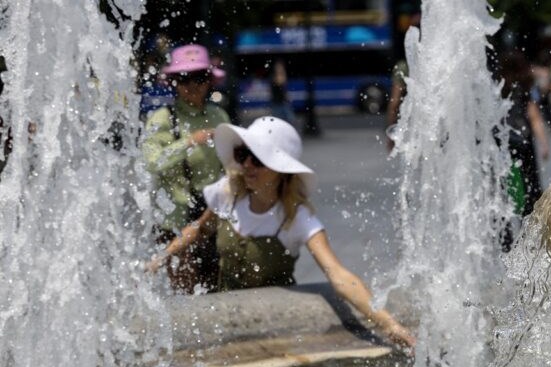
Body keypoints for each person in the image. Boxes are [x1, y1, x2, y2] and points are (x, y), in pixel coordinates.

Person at [147, 116, 416, 349]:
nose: (247, 166)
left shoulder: (297, 218)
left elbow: (338, 275)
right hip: (225, 321)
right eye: (242, 155)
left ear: (281, 170)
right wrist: (159, 260)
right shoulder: (227, 194)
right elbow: (199, 229)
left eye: (258, 159)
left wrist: (389, 325)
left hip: (276, 328)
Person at [142, 44, 231, 293]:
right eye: (184, 78)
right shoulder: (161, 118)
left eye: (199, 78)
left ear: (209, 81)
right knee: (185, 291)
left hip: (213, 218)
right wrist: (189, 142)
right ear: (173, 83)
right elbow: (152, 162)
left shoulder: (219, 116)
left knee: (219, 287)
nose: (192, 85)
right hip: (176, 223)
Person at [496, 50, 550, 251]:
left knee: (501, 186)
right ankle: (530, 235)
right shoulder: (527, 86)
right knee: (531, 187)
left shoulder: (497, 87)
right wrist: (544, 143)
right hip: (523, 141)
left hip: (500, 141)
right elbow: (534, 116)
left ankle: (505, 239)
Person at [269, 59, 295, 125]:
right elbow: (280, 82)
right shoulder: (274, 77)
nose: (280, 68)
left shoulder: (280, 76)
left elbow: (284, 88)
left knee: (289, 120)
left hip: (283, 102)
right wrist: (282, 73)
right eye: (278, 67)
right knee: (277, 121)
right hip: (277, 103)